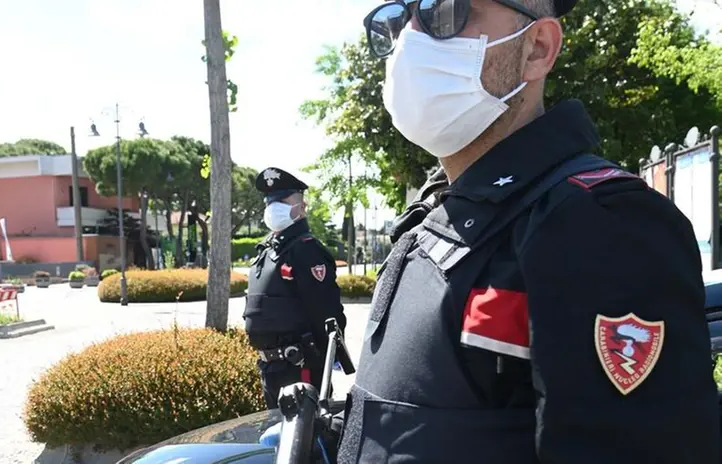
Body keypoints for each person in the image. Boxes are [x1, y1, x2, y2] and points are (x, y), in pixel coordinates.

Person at [335, 0, 721, 463]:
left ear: (537, 48)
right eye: (397, 20)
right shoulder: (435, 211)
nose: (409, 39)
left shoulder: (600, 222)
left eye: (444, 11)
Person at [243, 167, 347, 410]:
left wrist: (326, 360)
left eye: (281, 200)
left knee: (305, 443)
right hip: (270, 368)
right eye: (269, 201)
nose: (272, 206)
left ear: (302, 207)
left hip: (301, 366)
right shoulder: (267, 251)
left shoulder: (306, 250)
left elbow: (326, 314)